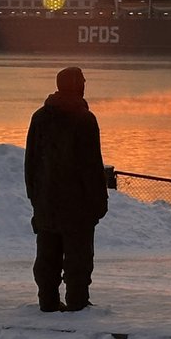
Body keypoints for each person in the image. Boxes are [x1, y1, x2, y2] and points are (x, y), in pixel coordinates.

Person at [24, 66, 109, 312]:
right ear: (76, 85)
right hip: (77, 204)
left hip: (46, 201)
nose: (85, 84)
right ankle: (78, 302)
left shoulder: (39, 117)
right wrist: (99, 201)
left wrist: (35, 197)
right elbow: (91, 166)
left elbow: (31, 163)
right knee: (78, 258)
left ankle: (47, 301)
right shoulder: (84, 119)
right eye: (82, 80)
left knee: (47, 256)